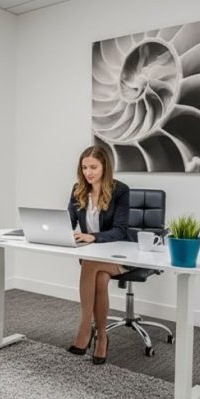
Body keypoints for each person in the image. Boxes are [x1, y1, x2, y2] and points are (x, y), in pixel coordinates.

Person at [66, 145, 130, 365]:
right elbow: (68, 222)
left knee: (91, 265)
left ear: (105, 167)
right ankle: (102, 336)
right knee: (100, 280)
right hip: (92, 257)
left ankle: (85, 329)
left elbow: (120, 230)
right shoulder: (78, 190)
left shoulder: (120, 191)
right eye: (84, 168)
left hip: (120, 256)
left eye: (93, 167)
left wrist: (94, 236)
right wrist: (63, 233)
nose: (88, 172)